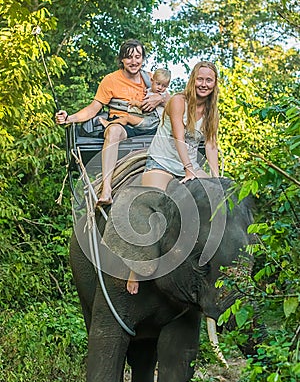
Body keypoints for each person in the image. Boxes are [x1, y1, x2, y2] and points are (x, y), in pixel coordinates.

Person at [126, 61, 220, 294]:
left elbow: (210, 145)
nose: (204, 84)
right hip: (162, 163)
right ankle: (135, 269)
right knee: (156, 205)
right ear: (192, 80)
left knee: (210, 204)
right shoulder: (178, 101)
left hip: (188, 166)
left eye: (209, 80)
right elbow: (179, 137)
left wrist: (216, 178)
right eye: (200, 79)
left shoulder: (210, 110)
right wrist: (189, 169)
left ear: (214, 84)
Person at [55, 39, 168, 205]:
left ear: (143, 59)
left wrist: (160, 98)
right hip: (124, 125)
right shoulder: (111, 80)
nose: (134, 61)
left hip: (148, 124)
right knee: (113, 130)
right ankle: (106, 189)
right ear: (122, 59)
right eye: (129, 57)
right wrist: (69, 118)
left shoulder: (151, 78)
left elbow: (174, 102)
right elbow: (93, 109)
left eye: (138, 57)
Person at [99, 68, 171, 131]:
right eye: (158, 84)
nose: (160, 88)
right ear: (151, 81)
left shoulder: (162, 95)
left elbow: (145, 107)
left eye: (164, 86)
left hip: (153, 121)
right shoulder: (149, 90)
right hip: (146, 117)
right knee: (128, 117)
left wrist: (135, 103)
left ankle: (108, 124)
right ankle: (111, 124)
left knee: (128, 118)